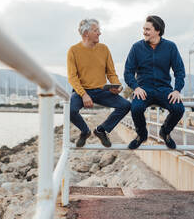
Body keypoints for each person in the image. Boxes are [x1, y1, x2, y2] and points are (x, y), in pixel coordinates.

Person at [124, 15, 185, 149]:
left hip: (164, 89)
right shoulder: (136, 47)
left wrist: (177, 90)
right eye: (144, 29)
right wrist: (136, 88)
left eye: (147, 29)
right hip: (144, 89)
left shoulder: (170, 47)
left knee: (179, 108)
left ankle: (165, 131)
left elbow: (179, 71)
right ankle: (141, 135)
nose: (144, 32)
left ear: (157, 31)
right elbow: (128, 72)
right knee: (136, 108)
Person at [67, 18, 131, 148]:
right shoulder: (73, 51)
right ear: (86, 34)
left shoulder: (104, 49)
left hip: (102, 90)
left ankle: (101, 130)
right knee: (71, 110)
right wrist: (84, 95)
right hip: (82, 91)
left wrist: (116, 86)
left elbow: (111, 73)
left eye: (98, 30)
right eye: (96, 30)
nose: (99, 33)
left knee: (125, 105)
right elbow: (72, 77)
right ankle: (85, 131)